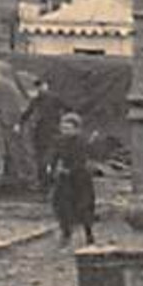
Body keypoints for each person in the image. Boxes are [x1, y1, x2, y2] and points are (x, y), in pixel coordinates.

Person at [47, 112, 96, 247]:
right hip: (64, 179)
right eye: (63, 128)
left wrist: (72, 170)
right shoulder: (59, 141)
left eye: (68, 128)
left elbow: (82, 160)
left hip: (80, 178)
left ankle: (89, 233)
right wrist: (50, 167)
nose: (65, 131)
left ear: (76, 129)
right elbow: (53, 155)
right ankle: (66, 232)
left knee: (83, 206)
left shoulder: (81, 142)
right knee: (61, 205)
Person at [21, 79, 69, 192]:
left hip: (51, 131)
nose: (40, 89)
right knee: (41, 157)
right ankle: (45, 180)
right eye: (38, 87)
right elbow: (28, 113)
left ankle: (45, 181)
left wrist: (63, 121)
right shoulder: (36, 100)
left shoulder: (54, 98)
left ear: (45, 86)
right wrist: (20, 123)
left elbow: (68, 108)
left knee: (48, 157)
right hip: (41, 132)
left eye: (41, 86)